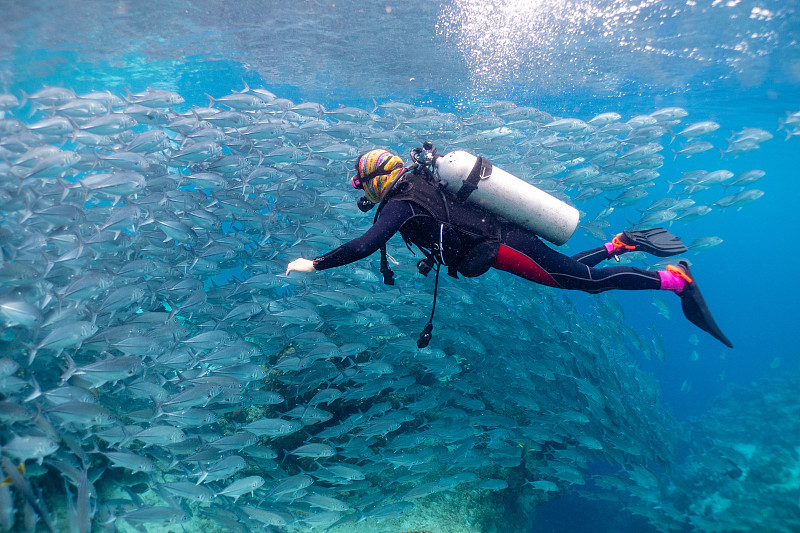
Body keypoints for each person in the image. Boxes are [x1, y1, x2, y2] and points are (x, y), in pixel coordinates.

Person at [286, 148, 732, 348]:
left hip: (502, 246)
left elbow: (365, 245)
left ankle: (674, 280)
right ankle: (617, 245)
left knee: (586, 283)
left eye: (363, 184)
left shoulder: (401, 204)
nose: (364, 193)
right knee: (568, 272)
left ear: (376, 181)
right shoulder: (419, 183)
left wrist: (316, 263)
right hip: (503, 239)